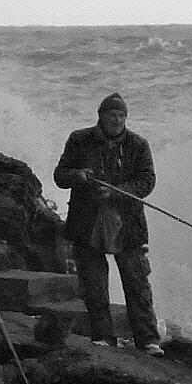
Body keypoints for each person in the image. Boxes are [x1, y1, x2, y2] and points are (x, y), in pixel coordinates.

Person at [53, 92, 162, 355]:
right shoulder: (79, 140)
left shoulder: (138, 145)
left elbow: (147, 181)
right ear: (100, 116)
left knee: (136, 282)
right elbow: (60, 176)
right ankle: (102, 337)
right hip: (86, 223)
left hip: (127, 226)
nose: (117, 120)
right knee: (94, 283)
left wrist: (115, 192)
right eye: (112, 115)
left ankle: (147, 339)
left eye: (122, 115)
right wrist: (78, 176)